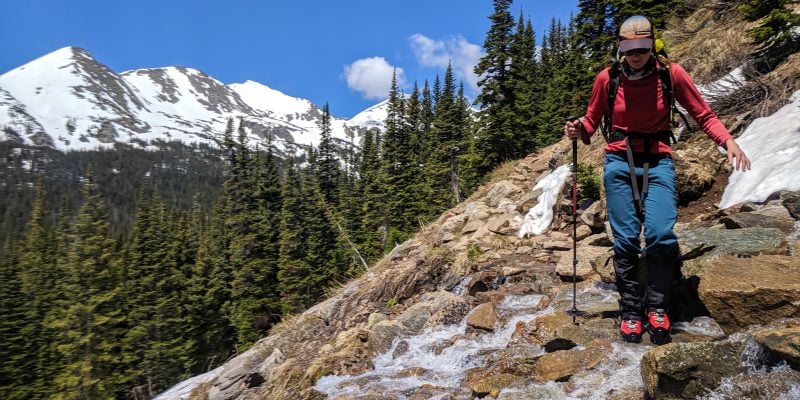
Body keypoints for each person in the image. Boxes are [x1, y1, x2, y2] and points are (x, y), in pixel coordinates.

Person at [564, 15, 751, 345]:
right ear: (620, 47)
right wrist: (578, 129)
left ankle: (658, 308)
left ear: (652, 44)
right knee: (624, 240)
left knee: (660, 233)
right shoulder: (607, 80)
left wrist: (727, 141)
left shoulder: (671, 74)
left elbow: (702, 113)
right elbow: (591, 122)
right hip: (619, 161)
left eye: (642, 46)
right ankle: (632, 311)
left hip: (659, 159)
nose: (635, 54)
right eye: (629, 47)